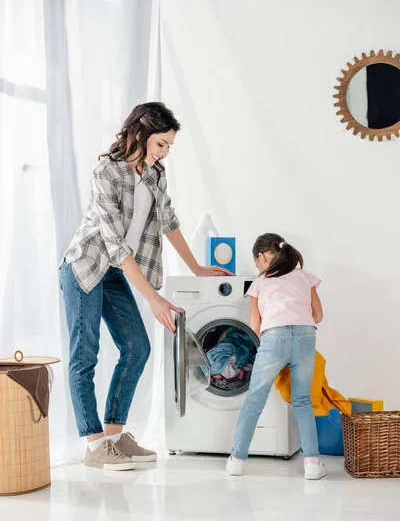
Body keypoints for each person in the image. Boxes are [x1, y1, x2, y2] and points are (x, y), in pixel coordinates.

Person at [59, 102, 232, 471]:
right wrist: (153, 298)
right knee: (84, 355)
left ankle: (116, 435)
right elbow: (115, 245)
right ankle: (94, 445)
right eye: (161, 144)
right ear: (140, 134)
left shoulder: (155, 174)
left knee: (137, 347)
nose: (165, 152)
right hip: (86, 267)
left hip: (118, 271)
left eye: (169, 146)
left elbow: (169, 221)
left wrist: (198, 268)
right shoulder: (106, 171)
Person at [226, 233, 327, 480]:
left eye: (257, 263)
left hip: (273, 337)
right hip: (305, 336)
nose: (258, 267)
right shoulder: (305, 277)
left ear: (261, 256)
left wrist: (272, 339)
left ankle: (237, 460)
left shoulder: (260, 282)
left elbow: (254, 322)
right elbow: (318, 315)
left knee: (254, 400)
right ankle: (312, 464)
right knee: (302, 400)